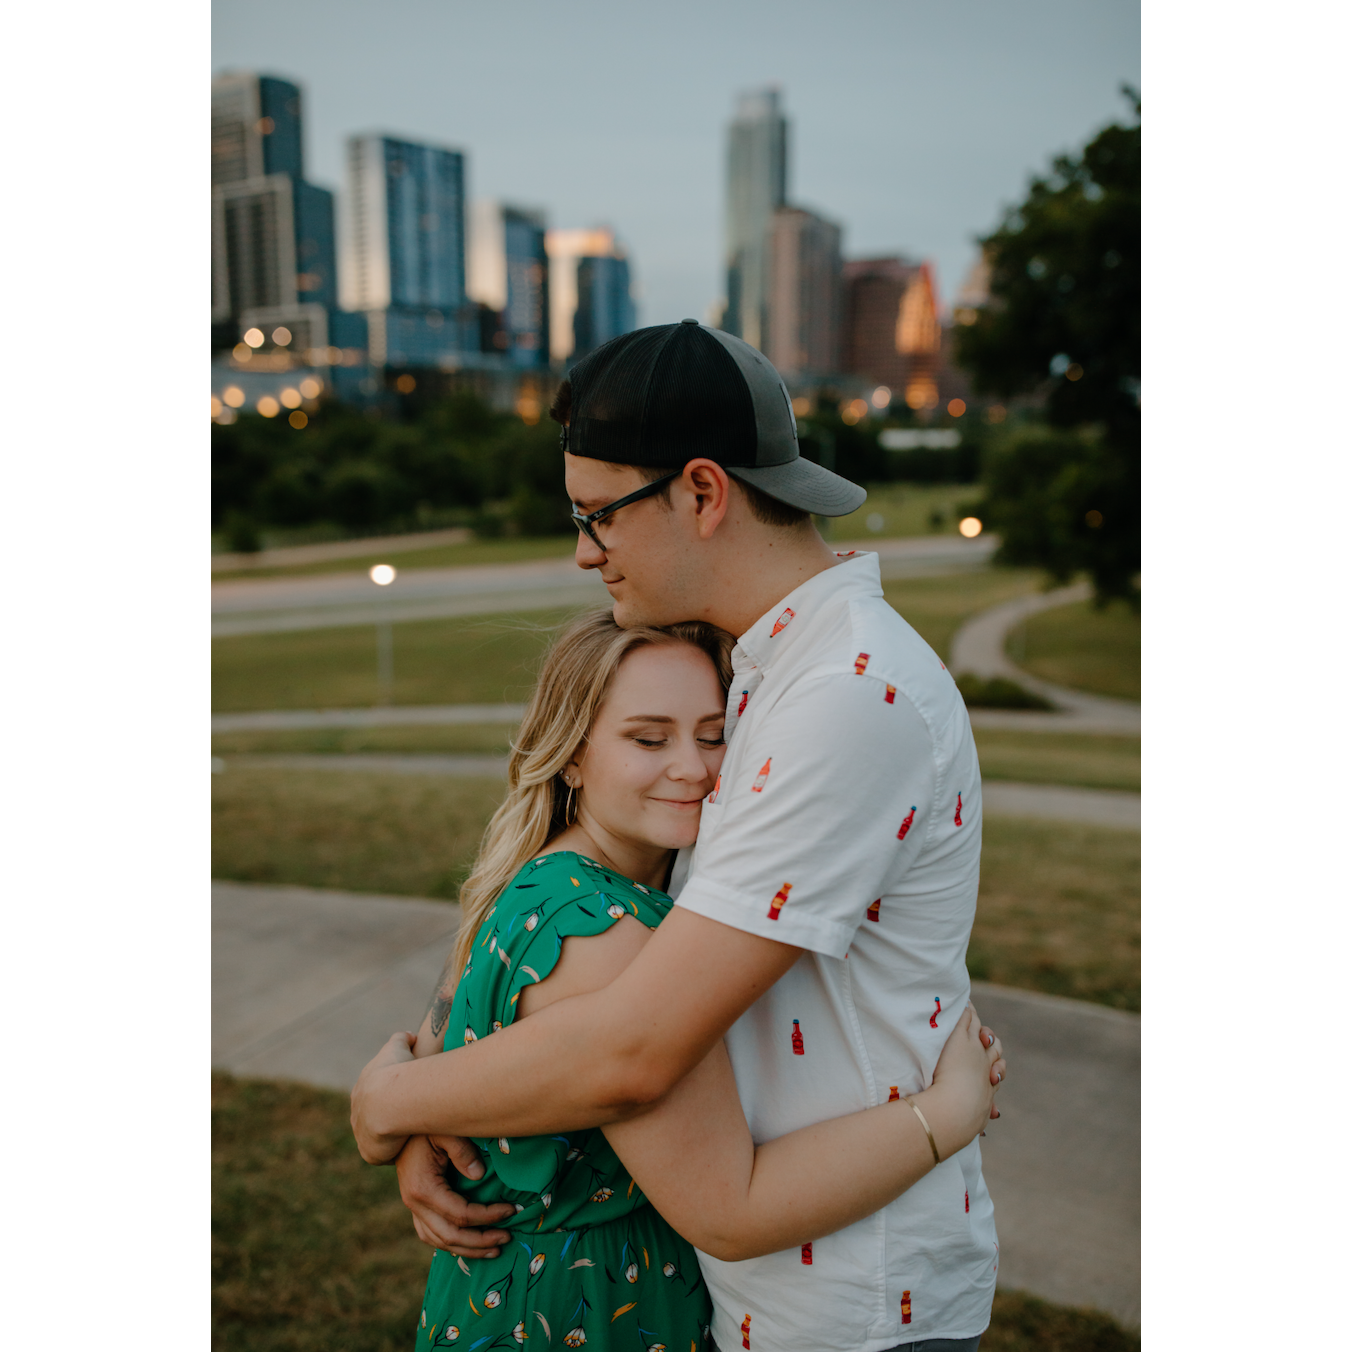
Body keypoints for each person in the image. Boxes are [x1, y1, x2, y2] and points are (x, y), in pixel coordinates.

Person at [352, 319, 1001, 1351]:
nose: (581, 549)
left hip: (850, 1303)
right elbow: (562, 870)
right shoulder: (747, 669)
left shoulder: (844, 696)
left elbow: (634, 1045)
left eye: (597, 515)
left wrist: (387, 1099)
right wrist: (449, 1067)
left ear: (701, 493)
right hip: (755, 1288)